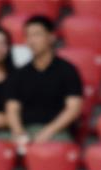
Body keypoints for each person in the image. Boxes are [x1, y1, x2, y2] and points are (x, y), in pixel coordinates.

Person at [5, 15, 83, 150]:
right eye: (28, 36)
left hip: (57, 132)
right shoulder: (20, 74)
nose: (31, 40)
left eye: (37, 34)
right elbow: (12, 107)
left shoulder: (67, 70)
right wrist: (19, 132)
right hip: (26, 130)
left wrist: (48, 131)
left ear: (51, 37)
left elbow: (73, 108)